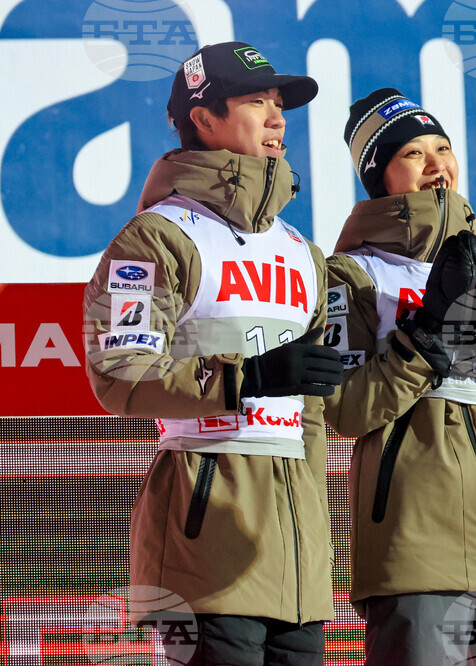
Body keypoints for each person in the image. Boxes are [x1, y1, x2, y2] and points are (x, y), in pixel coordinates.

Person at [83, 42, 342, 665]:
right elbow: (120, 374)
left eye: (279, 105)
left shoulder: (301, 251)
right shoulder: (157, 237)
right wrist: (246, 377)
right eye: (256, 102)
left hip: (298, 550)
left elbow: (308, 412)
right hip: (203, 533)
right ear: (203, 119)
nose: (277, 118)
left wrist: (314, 521)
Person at [323, 88, 476, 665]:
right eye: (413, 153)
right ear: (379, 176)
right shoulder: (349, 275)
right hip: (415, 553)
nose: (437, 164)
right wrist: (424, 341)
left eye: (443, 148)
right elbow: (344, 407)